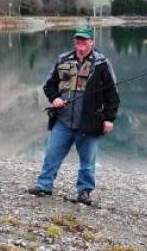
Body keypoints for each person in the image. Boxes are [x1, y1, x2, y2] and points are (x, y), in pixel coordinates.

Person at [28, 27, 120, 204]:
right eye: (78, 40)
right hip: (63, 120)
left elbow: (112, 95)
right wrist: (54, 98)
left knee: (87, 161)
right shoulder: (63, 59)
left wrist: (109, 118)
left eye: (84, 41)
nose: (80, 44)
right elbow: (49, 85)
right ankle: (44, 185)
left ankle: (84, 191)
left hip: (90, 122)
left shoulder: (101, 63)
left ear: (92, 42)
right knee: (52, 154)